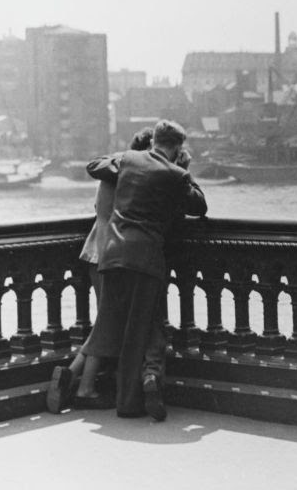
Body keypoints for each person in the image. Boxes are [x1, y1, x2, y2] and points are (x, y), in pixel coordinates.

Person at [70, 120, 206, 419]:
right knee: (139, 330)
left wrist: (122, 158)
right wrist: (186, 174)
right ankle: (132, 401)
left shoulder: (129, 160)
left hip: (110, 254)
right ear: (177, 147)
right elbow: (199, 206)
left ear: (155, 139)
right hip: (145, 258)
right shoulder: (175, 174)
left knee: (110, 324)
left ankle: (76, 376)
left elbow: (94, 166)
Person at [46, 128, 154, 413]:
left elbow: (99, 206)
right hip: (114, 252)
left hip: (95, 246)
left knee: (107, 320)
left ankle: (72, 377)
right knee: (108, 324)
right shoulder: (138, 174)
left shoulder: (114, 167)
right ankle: (83, 385)